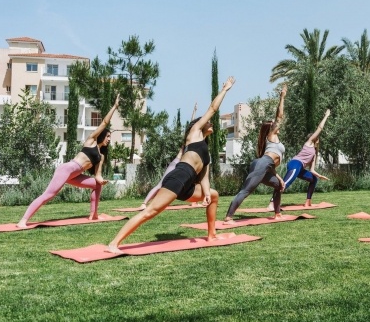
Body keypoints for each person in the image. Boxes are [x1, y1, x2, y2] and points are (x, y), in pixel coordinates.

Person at [107, 77, 235, 253]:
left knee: (213, 195)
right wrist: (225, 90)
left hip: (188, 185)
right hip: (178, 177)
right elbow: (213, 108)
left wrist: (206, 193)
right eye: (208, 121)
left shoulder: (205, 151)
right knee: (150, 212)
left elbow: (204, 176)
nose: (211, 122)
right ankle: (113, 243)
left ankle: (211, 234)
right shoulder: (194, 134)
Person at [17, 94, 121, 228]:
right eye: (108, 136)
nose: (109, 139)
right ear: (101, 135)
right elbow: (105, 122)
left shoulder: (101, 156)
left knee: (97, 185)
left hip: (75, 175)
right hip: (67, 169)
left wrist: (102, 180)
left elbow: (98, 175)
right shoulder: (91, 141)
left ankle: (94, 214)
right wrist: (115, 106)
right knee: (49, 195)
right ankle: (23, 221)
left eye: (110, 137)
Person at [224, 86, 287, 224]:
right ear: (270, 129)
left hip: (265, 166)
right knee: (246, 191)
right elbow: (279, 116)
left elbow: (270, 166)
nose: (277, 125)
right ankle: (228, 217)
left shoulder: (272, 140)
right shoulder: (271, 136)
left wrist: (279, 178)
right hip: (262, 164)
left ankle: (277, 213)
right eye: (274, 125)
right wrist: (282, 97)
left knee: (279, 185)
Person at [267, 108, 331, 210]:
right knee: (285, 184)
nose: (318, 138)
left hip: (300, 168)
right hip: (295, 164)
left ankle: (308, 202)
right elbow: (320, 128)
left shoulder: (314, 153)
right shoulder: (309, 143)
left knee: (313, 179)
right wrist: (326, 116)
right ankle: (271, 204)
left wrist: (319, 176)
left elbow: (312, 170)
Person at [139, 102, 199, 210]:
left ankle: (194, 202)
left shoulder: (195, 143)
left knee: (194, 182)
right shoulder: (188, 140)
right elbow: (191, 126)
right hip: (176, 163)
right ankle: (144, 203)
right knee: (161, 185)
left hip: (184, 166)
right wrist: (194, 112)